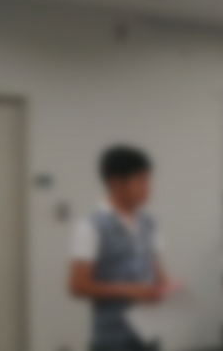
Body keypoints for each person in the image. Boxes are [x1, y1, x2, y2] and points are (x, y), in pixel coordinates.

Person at [69, 145, 171, 351]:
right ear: (115, 182)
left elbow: (157, 273)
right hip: (112, 339)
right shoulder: (91, 226)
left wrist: (166, 288)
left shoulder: (149, 223)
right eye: (140, 180)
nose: (148, 188)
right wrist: (128, 290)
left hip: (148, 333)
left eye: (148, 180)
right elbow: (77, 285)